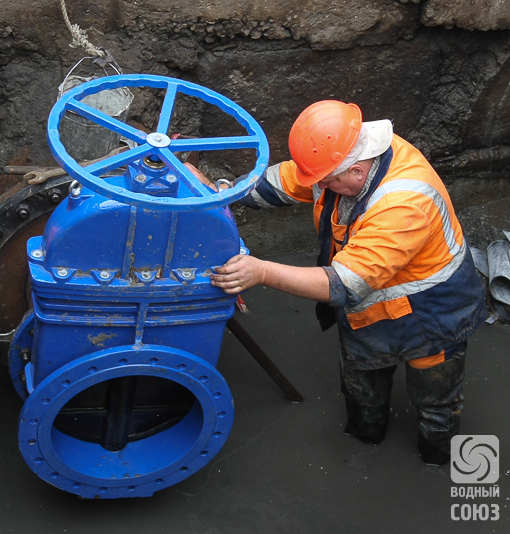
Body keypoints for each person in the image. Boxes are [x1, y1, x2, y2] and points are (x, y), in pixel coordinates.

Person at [200, 100, 487, 465]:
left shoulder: (404, 203)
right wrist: (223, 191)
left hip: (433, 316)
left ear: (355, 169)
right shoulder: (343, 159)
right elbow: (285, 182)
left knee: (436, 403)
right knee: (363, 397)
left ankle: (436, 458)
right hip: (369, 313)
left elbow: (343, 285)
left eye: (326, 180)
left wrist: (263, 272)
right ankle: (365, 445)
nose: (319, 187)